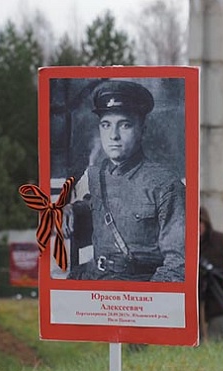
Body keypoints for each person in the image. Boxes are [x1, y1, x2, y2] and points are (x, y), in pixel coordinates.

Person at [67, 80, 185, 282]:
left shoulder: (166, 185)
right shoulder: (96, 175)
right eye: (106, 125)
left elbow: (178, 264)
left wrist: (145, 301)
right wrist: (73, 210)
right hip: (95, 278)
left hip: (138, 287)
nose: (113, 135)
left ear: (143, 130)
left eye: (125, 125)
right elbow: (101, 207)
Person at [199, 207, 223, 341]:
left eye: (201, 223)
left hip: (218, 299)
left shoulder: (221, 241)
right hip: (192, 303)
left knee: (218, 339)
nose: (198, 227)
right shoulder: (183, 244)